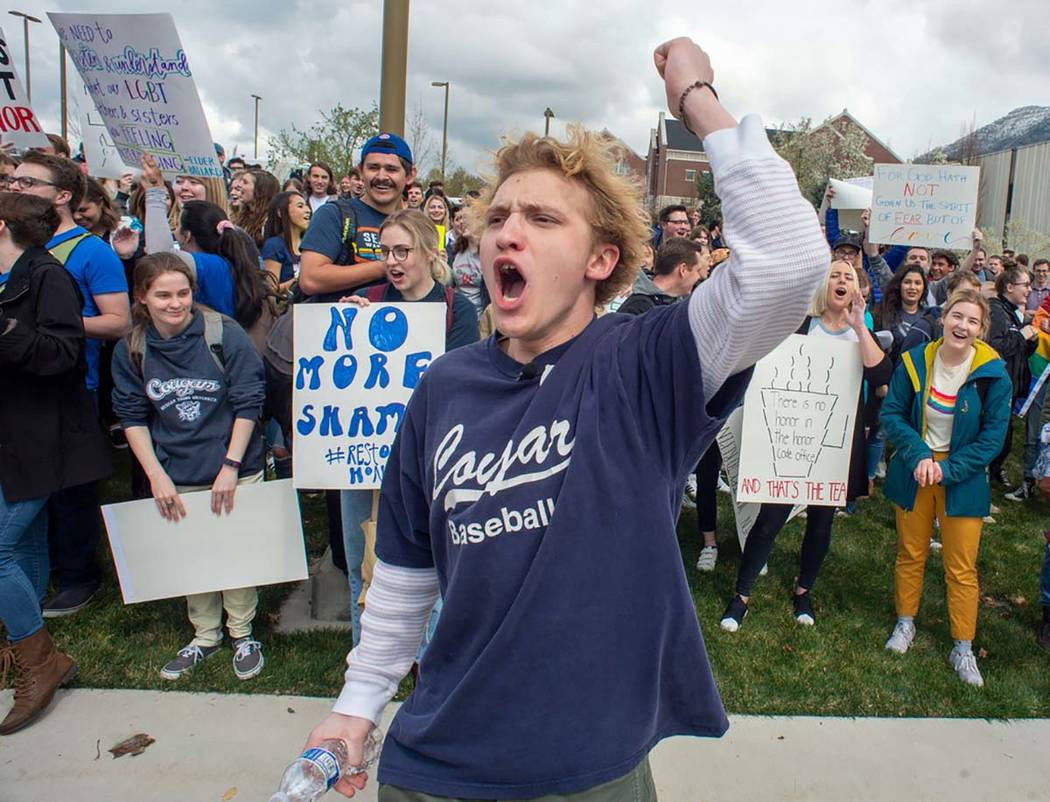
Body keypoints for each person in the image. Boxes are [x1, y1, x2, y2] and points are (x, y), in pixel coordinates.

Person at [301, 36, 828, 801]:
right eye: (500, 217)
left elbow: (786, 261)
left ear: (602, 261)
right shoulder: (444, 386)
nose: (509, 231)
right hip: (435, 767)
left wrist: (696, 98)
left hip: (587, 772)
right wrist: (357, 705)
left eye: (544, 220)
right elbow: (407, 571)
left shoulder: (647, 363)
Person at [110, 252, 267, 681]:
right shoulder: (132, 348)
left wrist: (231, 465)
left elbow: (249, 400)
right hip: (176, 467)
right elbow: (132, 415)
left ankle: (243, 632)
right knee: (192, 553)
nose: (175, 303)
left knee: (236, 551)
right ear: (142, 297)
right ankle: (205, 634)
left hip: (232, 461)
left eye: (182, 293)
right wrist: (155, 475)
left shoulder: (223, 333)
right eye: (162, 295)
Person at [719, 259, 892, 631]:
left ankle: (803, 591)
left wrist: (860, 327)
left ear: (858, 290)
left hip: (834, 446)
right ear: (824, 285)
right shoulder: (801, 324)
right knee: (769, 519)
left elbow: (881, 375)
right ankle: (742, 595)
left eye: (849, 277)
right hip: (790, 442)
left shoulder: (858, 333)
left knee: (821, 523)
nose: (842, 281)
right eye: (835, 275)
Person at [336, 210, 480, 647]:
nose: (393, 261)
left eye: (403, 250)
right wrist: (348, 325)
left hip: (424, 459)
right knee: (361, 554)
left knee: (429, 560)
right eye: (386, 253)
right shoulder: (368, 300)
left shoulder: (457, 311)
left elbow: (461, 388)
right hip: (363, 454)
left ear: (430, 252)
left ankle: (425, 661)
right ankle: (365, 655)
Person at [0, 193, 111, 734]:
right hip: (17, 434)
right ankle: (30, 648)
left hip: (45, 436)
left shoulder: (46, 277)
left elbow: (63, 353)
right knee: (19, 544)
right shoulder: (16, 278)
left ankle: (40, 661)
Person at [9, 151, 128, 616]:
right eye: (13, 179)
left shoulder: (90, 251)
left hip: (75, 382)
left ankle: (79, 573)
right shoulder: (15, 247)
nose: (16, 187)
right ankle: (39, 574)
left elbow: (117, 322)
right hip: (18, 387)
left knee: (68, 486)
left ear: (61, 196)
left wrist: (49, 324)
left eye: (28, 182)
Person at [881, 288, 1011, 688]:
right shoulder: (915, 360)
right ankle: (906, 623)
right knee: (910, 552)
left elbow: (993, 440)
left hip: (963, 479)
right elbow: (892, 413)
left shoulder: (994, 374)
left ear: (981, 330)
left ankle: (963, 645)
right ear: (943, 318)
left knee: (961, 566)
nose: (963, 325)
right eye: (957, 316)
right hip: (914, 470)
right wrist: (919, 453)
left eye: (972, 321)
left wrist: (949, 469)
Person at [141, 154, 265, 332]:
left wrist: (155, 194)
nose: (185, 187)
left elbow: (159, 258)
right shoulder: (225, 258)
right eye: (180, 180)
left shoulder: (209, 264)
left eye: (193, 181)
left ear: (187, 235)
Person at [298, 133, 416, 301]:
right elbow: (310, 279)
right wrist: (386, 267)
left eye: (391, 169)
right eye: (373, 167)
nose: (381, 177)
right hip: (341, 323)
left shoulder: (414, 225)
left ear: (410, 175)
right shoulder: (333, 214)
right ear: (361, 171)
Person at [986, 263, 1035, 488]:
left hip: (1010, 387)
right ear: (1009, 286)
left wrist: (1030, 343)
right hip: (996, 387)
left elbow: (1017, 350)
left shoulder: (1012, 312)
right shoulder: (996, 310)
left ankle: (994, 471)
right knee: (995, 437)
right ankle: (984, 476)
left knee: (1005, 437)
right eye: (1025, 284)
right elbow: (995, 348)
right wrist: (1022, 336)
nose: (1029, 290)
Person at [619, 236, 706, 314]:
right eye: (697, 271)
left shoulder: (683, 306)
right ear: (682, 269)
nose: (698, 277)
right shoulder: (637, 308)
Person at [874, 264, 928, 365]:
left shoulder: (928, 317)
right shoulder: (883, 313)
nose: (912, 287)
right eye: (907, 282)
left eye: (917, 283)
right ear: (899, 286)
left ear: (923, 287)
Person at [261, 190, 311, 291]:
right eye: (300, 206)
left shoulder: (310, 244)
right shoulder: (274, 245)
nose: (308, 210)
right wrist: (297, 280)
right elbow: (270, 290)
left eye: (306, 206)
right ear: (280, 212)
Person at [448, 206, 486, 317]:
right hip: (459, 315)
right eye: (460, 219)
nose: (462, 222)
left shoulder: (487, 254)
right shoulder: (455, 251)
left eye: (467, 219)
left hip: (481, 317)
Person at [231, 169, 280, 246]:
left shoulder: (270, 222)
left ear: (260, 190)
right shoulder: (241, 216)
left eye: (245, 182)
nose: (239, 185)